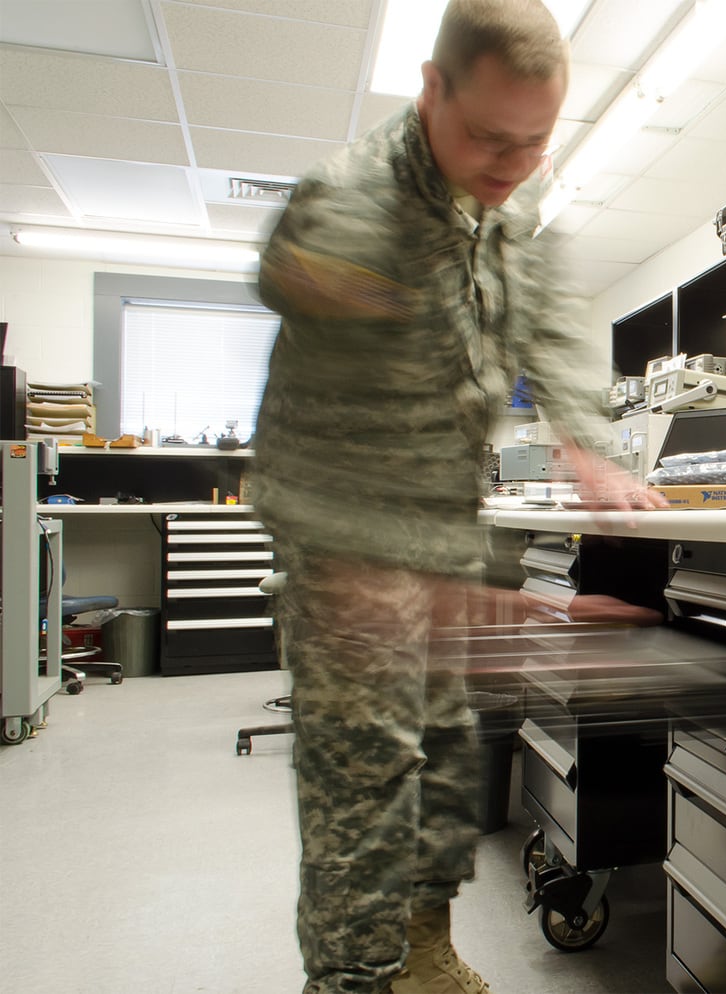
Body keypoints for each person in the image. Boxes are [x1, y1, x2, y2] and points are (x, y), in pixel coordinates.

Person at [251, 2, 662, 991]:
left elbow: (547, 309)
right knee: (368, 789)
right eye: (489, 137)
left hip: (432, 525)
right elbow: (349, 456)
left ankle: (424, 958)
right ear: (430, 90)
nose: (514, 163)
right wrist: (492, 607)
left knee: (437, 754)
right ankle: (353, 979)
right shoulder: (347, 216)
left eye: (536, 141)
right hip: (345, 526)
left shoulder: (500, 191)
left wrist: (585, 441)